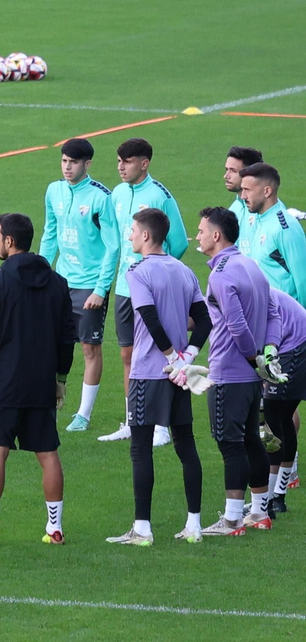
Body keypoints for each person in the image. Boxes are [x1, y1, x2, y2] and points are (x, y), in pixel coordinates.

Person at [0, 213, 74, 547]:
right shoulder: (58, 283)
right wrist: (61, 378)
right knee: (48, 452)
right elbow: (68, 336)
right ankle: (55, 529)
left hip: (4, 384)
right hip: (41, 383)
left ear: (10, 241)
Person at [107, 208, 210, 546]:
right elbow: (204, 321)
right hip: (178, 375)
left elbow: (149, 318)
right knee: (186, 445)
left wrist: (170, 358)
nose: (130, 236)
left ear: (147, 236)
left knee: (140, 449)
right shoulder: (184, 271)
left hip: (150, 373)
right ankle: (194, 525)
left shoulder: (138, 273)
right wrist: (187, 358)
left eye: (133, 231)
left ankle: (143, 529)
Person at [100, 138, 187, 445]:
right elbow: (114, 241)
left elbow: (179, 242)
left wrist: (161, 274)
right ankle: (132, 420)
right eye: (118, 161)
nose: (121, 166)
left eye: (127, 161)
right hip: (125, 287)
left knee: (158, 352)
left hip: (152, 290)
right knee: (129, 355)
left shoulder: (160, 195)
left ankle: (162, 426)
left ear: (144, 163)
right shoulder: (118, 194)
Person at [193, 207, 273, 535]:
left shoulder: (222, 274)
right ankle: (259, 513)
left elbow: (237, 324)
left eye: (200, 230)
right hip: (252, 374)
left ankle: (232, 519)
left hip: (231, 371)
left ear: (216, 235)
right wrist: (262, 359)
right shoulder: (250, 264)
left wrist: (252, 357)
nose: (197, 235)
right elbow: (270, 311)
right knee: (251, 439)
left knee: (230, 444)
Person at [37, 139, 119, 434]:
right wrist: (40, 272)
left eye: (73, 162)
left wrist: (100, 288)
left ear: (87, 164)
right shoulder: (53, 191)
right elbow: (50, 234)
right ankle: (49, 401)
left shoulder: (101, 198)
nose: (67, 167)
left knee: (89, 348)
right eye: (63, 161)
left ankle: (83, 414)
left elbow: (113, 247)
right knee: (49, 344)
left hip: (89, 286)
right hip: (59, 281)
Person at [262, 286, 306, 512]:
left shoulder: (223, 299)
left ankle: (270, 500)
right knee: (282, 417)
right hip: (291, 340)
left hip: (294, 343)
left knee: (272, 420)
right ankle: (276, 497)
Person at [238, 163, 306, 304]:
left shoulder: (284, 228)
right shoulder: (260, 221)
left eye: (247, 190)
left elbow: (303, 281)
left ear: (267, 191)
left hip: (287, 320)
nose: (243, 196)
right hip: (269, 317)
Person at [224, 147, 264, 252]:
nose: (226, 176)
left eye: (233, 171)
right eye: (226, 170)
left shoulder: (265, 209)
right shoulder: (233, 209)